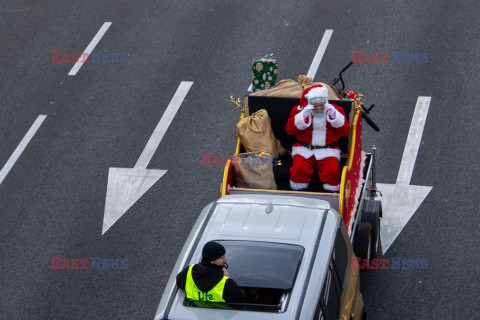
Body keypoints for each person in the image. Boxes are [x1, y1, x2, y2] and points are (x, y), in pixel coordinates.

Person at [285, 84, 350, 191]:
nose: (319, 108)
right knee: (299, 170)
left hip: (328, 150)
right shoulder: (299, 110)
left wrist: (335, 116)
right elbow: (290, 131)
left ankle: (332, 196)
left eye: (321, 105)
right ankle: (299, 195)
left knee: (332, 172)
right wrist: (302, 116)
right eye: (315, 106)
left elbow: (345, 132)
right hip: (304, 149)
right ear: (310, 103)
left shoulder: (336, 110)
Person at [176, 241, 246, 305]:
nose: (226, 259)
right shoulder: (226, 283)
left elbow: (179, 282)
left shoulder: (188, 272)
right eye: (222, 258)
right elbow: (241, 300)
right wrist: (227, 278)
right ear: (212, 261)